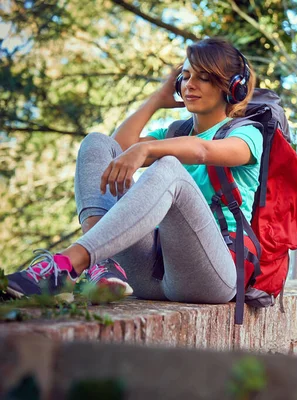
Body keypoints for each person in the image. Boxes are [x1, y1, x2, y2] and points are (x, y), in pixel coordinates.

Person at [5, 37, 262, 305]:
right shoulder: (173, 133)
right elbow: (115, 151)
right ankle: (101, 265)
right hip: (150, 274)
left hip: (211, 276)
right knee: (97, 142)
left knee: (169, 166)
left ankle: (67, 263)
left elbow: (203, 151)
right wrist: (155, 101)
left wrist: (149, 150)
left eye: (204, 78)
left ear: (232, 88)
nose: (190, 85)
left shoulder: (246, 133)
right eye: (185, 77)